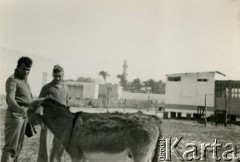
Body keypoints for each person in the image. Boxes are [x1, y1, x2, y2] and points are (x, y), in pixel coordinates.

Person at [1, 57, 33, 162]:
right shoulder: (12, 80)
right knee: (10, 148)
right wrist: (20, 110)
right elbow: (10, 99)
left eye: (28, 69)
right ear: (18, 67)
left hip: (24, 116)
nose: (26, 72)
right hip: (15, 116)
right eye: (24, 69)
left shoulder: (25, 80)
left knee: (19, 147)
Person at [37, 65, 68, 162]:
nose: (57, 78)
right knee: (45, 148)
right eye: (55, 76)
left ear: (63, 75)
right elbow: (39, 104)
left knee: (58, 149)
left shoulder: (66, 89)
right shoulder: (46, 88)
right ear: (52, 75)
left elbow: (66, 105)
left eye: (60, 76)